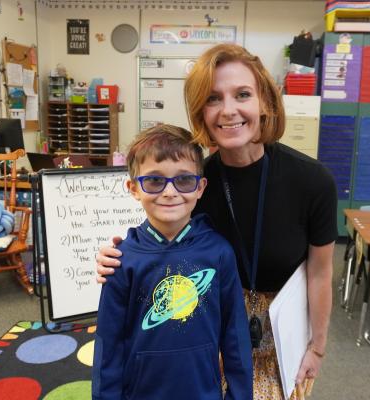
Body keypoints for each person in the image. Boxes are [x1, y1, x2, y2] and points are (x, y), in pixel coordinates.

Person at [97, 44, 337, 400]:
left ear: (264, 102)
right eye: (213, 99)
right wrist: (113, 257)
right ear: (200, 111)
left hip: (286, 325)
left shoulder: (312, 180)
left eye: (242, 94)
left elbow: (320, 273)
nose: (228, 110)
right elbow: (166, 242)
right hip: (211, 323)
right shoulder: (192, 181)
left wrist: (317, 348)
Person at [92, 124, 253, 400]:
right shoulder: (122, 259)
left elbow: (235, 335)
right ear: (133, 189)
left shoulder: (219, 253)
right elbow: (109, 345)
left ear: (200, 187)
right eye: (154, 181)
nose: (169, 192)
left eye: (184, 180)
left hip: (204, 392)